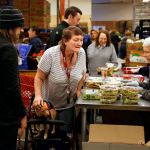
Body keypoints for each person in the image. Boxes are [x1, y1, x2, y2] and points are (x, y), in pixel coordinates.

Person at [32, 26, 87, 136]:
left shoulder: (81, 53)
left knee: (64, 137)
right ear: (65, 41)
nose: (80, 43)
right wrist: (38, 96)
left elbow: (83, 74)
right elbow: (39, 77)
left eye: (81, 40)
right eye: (75, 40)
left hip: (68, 105)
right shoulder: (50, 54)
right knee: (47, 137)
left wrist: (78, 90)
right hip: (48, 105)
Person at [0, 6, 27, 150]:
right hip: (4, 118)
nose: (22, 30)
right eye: (19, 26)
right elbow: (11, 88)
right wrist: (22, 114)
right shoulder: (8, 49)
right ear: (10, 28)